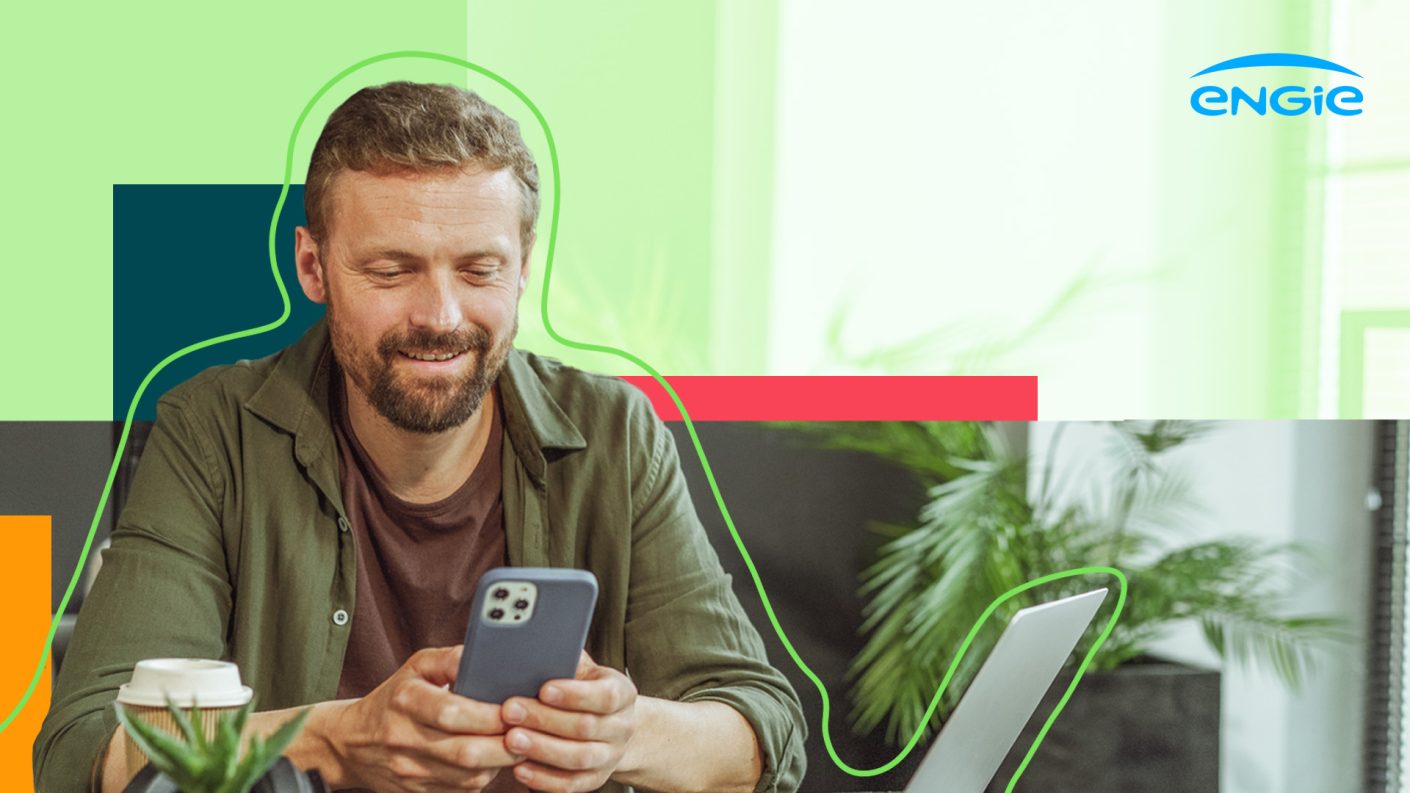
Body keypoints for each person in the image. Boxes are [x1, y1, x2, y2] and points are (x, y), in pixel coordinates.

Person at [34, 81, 807, 793]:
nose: (440, 316)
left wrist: (625, 732)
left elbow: (762, 731)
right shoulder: (214, 431)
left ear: (523, 266)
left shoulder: (617, 433)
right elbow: (82, 753)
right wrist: (338, 738)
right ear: (314, 265)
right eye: (392, 270)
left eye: (478, 270)